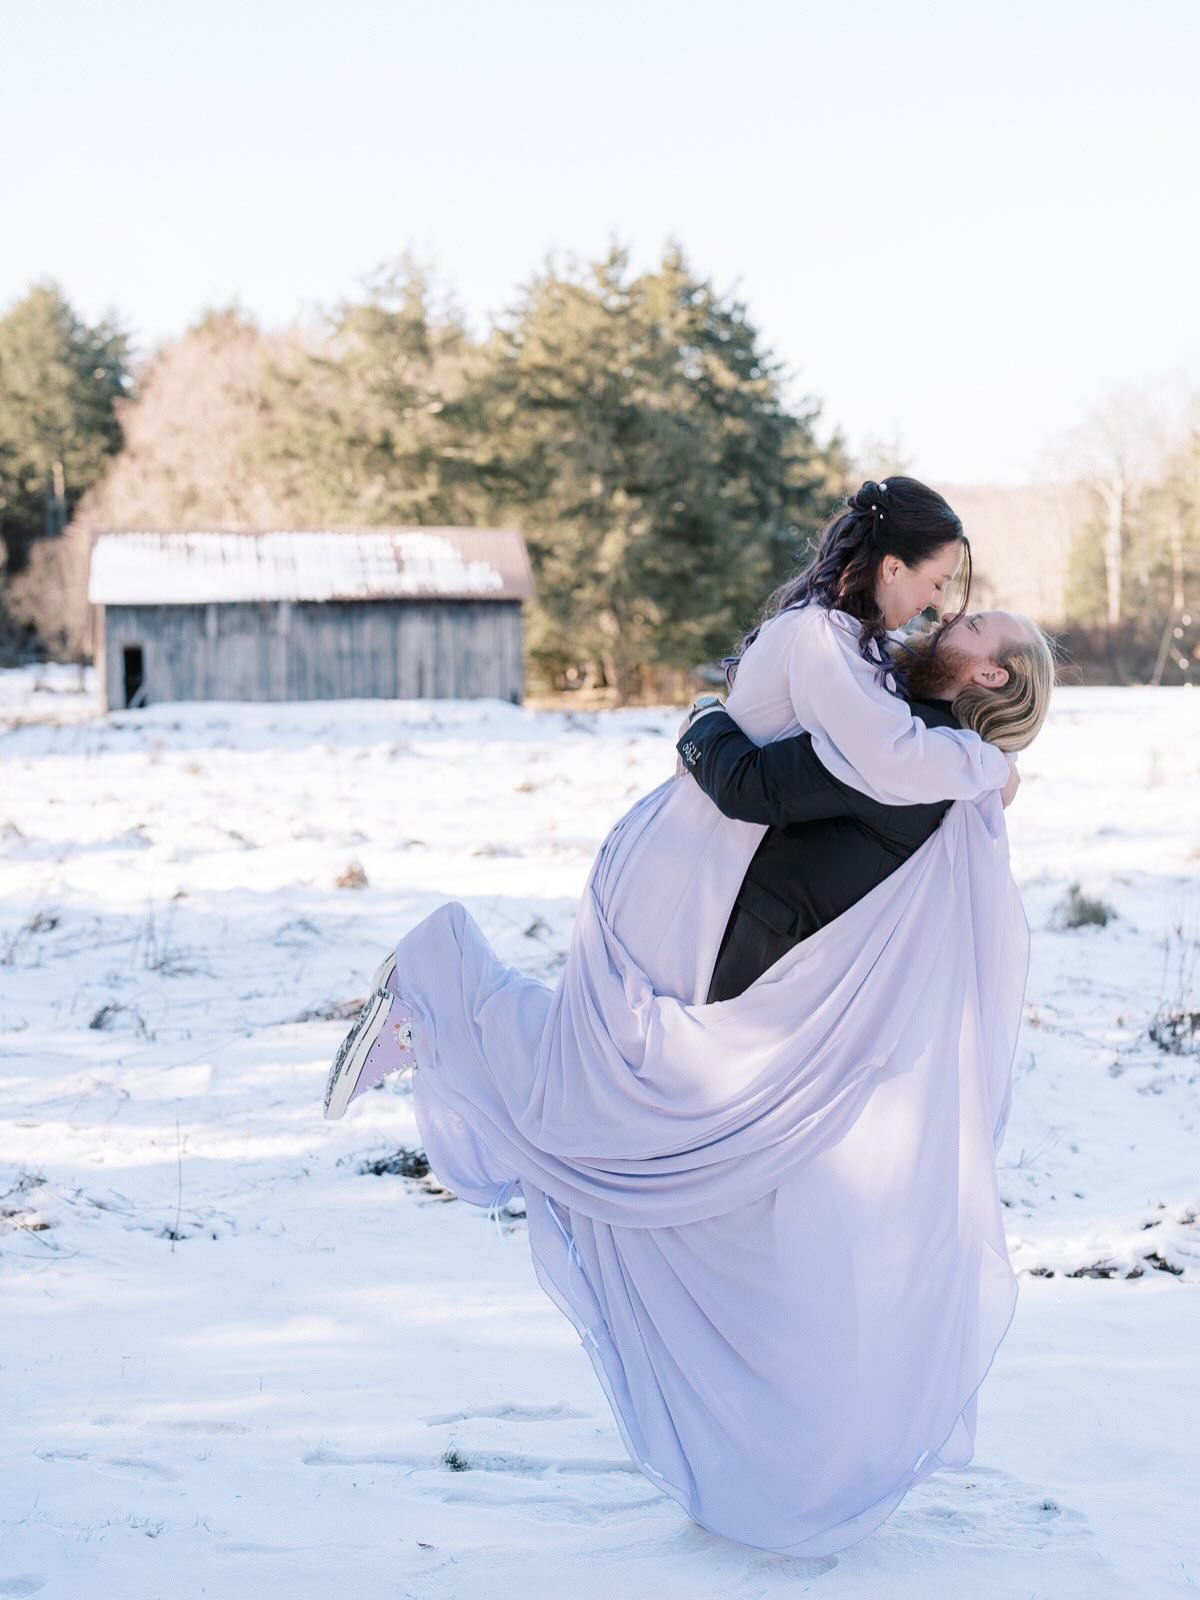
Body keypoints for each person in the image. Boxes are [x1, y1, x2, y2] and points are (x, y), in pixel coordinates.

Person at [322, 478, 1044, 1559]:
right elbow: (758, 783)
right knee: (625, 1107)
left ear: (988, 671)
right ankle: (438, 984)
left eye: (961, 607)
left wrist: (968, 767)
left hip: (703, 911)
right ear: (889, 564)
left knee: (636, 1122)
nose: (943, 605)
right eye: (940, 584)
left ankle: (435, 1009)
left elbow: (787, 782)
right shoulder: (853, 672)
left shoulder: (900, 720)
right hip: (679, 893)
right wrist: (983, 765)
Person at [676, 609, 1054, 1001]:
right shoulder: (961, 756)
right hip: (786, 962)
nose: (946, 614)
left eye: (972, 626)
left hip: (759, 963)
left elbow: (749, 786)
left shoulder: (921, 753)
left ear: (990, 675)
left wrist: (704, 715)